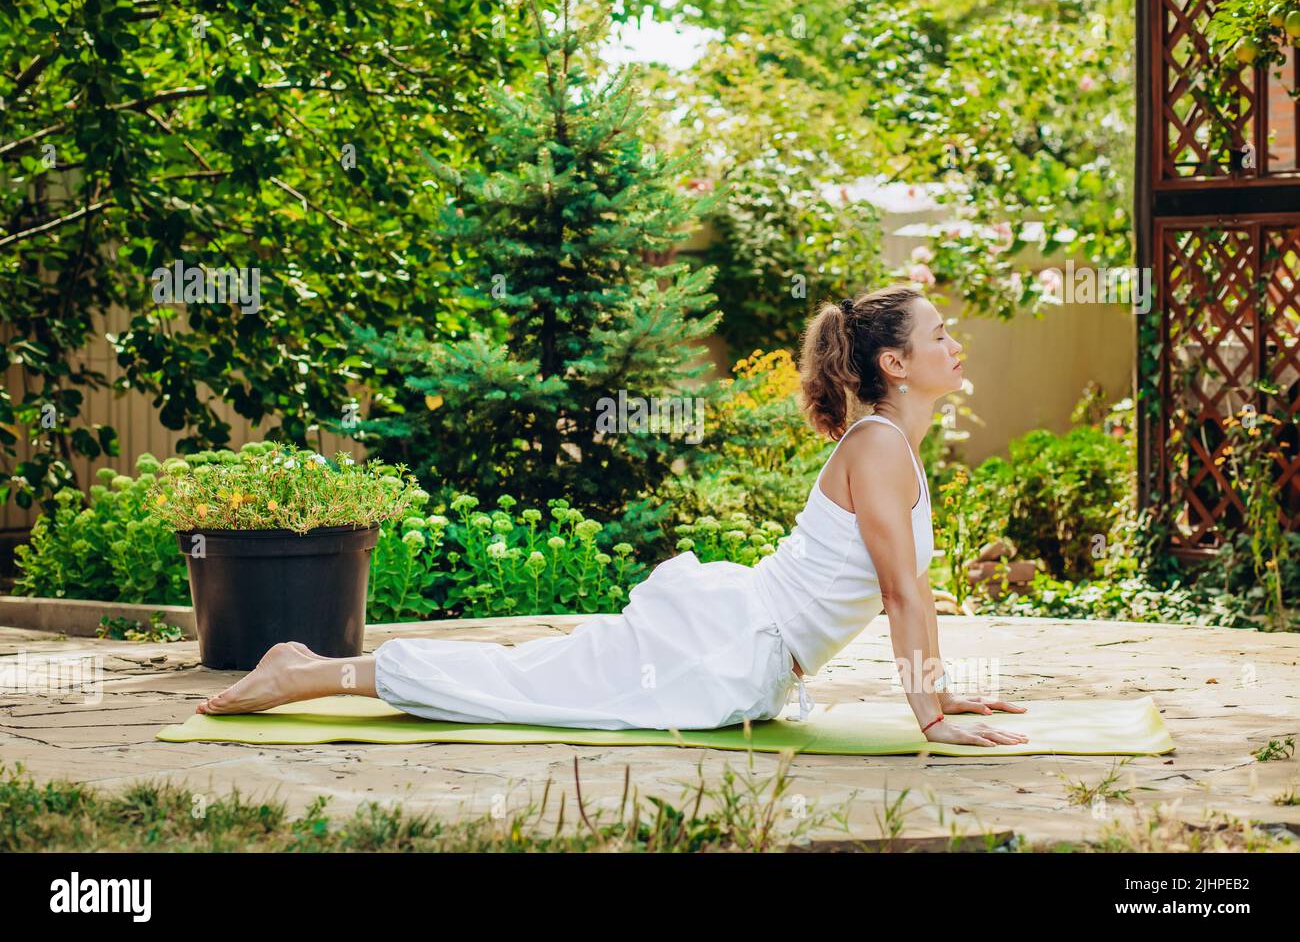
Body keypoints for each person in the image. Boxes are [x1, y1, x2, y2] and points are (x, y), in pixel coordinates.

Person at [197, 285, 1029, 747]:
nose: (955, 343)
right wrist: (929, 713)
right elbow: (902, 594)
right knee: (523, 689)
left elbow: (908, 592)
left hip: (743, 643)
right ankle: (303, 671)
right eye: (939, 334)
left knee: (535, 678)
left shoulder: (890, 444)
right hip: (729, 639)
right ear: (896, 362)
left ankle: (308, 663)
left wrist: (941, 695)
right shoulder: (880, 445)